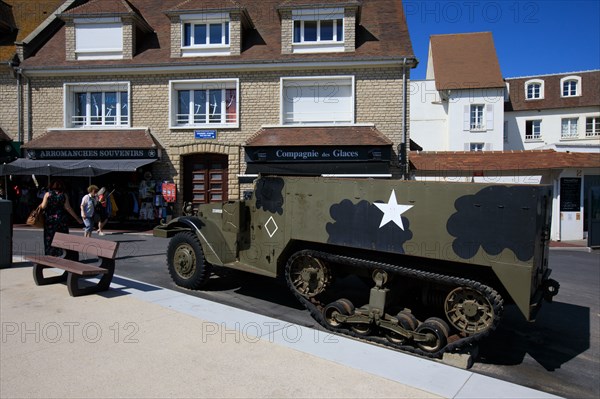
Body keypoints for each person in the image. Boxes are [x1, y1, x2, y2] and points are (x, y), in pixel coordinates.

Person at [40, 180, 82, 256]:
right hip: (61, 220)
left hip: (50, 220)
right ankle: (61, 254)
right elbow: (68, 208)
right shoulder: (64, 195)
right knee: (62, 237)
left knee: (49, 238)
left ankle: (50, 254)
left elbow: (43, 206)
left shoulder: (47, 194)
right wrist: (77, 219)